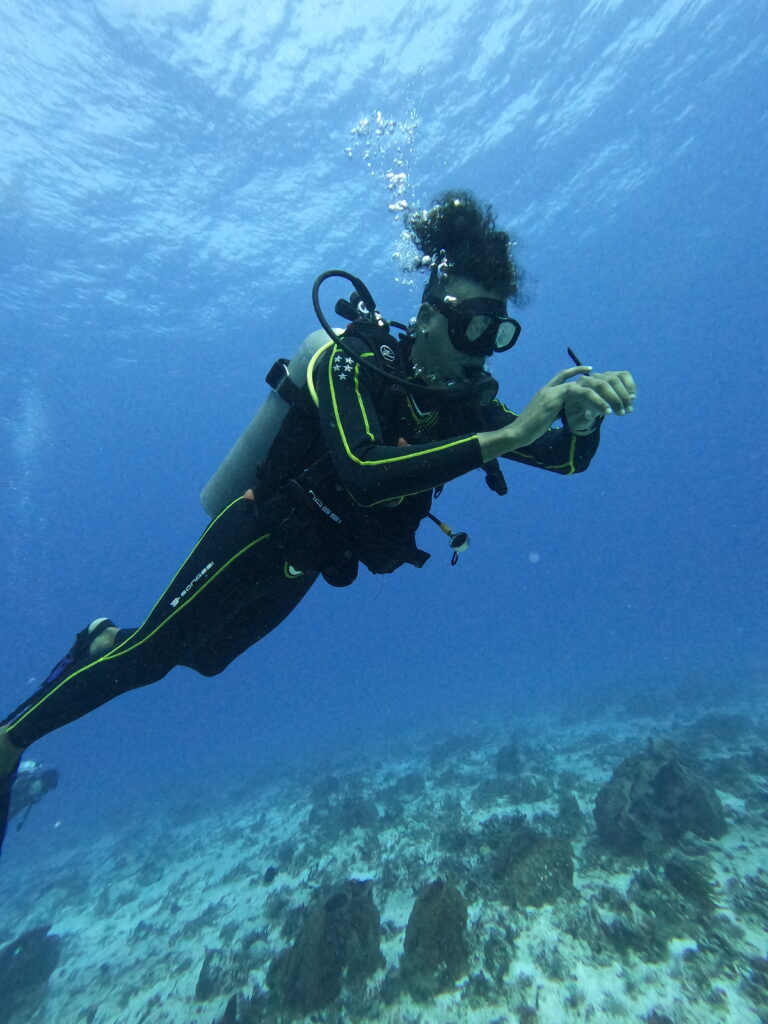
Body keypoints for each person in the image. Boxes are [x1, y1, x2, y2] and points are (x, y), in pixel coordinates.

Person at [0, 191, 636, 855]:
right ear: (426, 318)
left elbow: (565, 459)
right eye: (474, 327)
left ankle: (102, 639)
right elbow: (361, 466)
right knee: (153, 659)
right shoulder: (350, 361)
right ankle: (10, 740)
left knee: (209, 659)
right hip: (258, 533)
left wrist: (585, 422)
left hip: (308, 560)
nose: (486, 351)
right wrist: (514, 431)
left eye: (499, 334)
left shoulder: (465, 405)